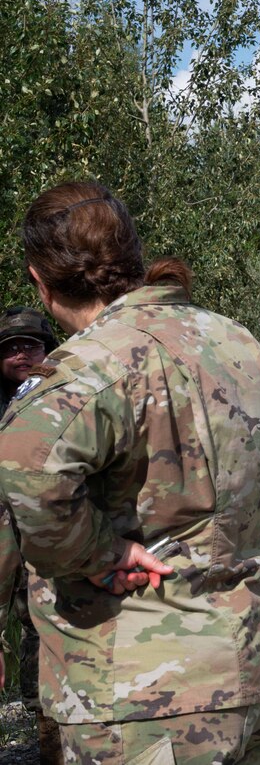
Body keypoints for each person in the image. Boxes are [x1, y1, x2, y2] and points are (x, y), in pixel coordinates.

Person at [0, 181, 260, 764]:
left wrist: (100, 553)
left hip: (140, 699)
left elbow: (23, 476)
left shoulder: (88, 368)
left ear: (39, 281)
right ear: (131, 257)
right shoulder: (235, 344)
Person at [0, 306, 64, 763]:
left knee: (50, 641)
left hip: (54, 543)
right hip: (6, 546)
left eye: (31, 344)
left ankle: (55, 743)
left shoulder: (64, 393)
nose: (22, 354)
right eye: (10, 348)